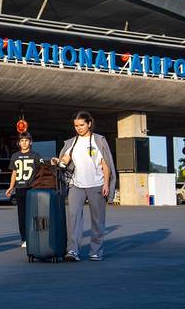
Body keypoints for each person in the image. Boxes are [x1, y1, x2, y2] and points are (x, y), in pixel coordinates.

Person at [51, 111, 115, 262]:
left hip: (97, 184)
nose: (78, 128)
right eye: (76, 125)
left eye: (81, 125)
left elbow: (105, 163)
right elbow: (65, 159)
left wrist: (106, 183)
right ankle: (72, 250)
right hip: (76, 184)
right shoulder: (72, 142)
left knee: (97, 219)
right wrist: (58, 161)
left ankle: (96, 251)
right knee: (73, 217)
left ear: (89, 124)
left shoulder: (99, 140)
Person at [5, 132, 43, 248]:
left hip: (32, 188)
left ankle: (37, 236)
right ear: (19, 143)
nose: (24, 142)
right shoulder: (15, 156)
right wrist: (11, 187)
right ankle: (25, 238)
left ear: (30, 142)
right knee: (22, 215)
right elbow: (14, 173)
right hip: (20, 188)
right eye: (22, 141)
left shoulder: (36, 156)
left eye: (26, 140)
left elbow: (42, 170)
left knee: (35, 214)